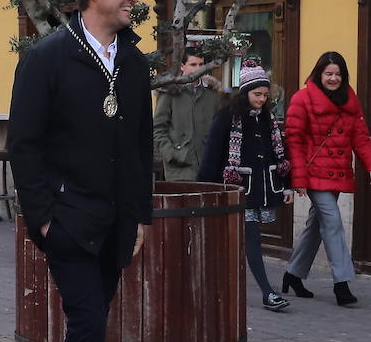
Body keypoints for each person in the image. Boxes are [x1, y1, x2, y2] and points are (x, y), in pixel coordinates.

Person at [8, 0, 152, 342]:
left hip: (116, 223)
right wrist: (43, 220)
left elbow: (141, 145)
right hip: (68, 221)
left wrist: (141, 217)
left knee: (87, 326)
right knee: (90, 324)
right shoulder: (48, 57)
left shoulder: (135, 63)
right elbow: (24, 145)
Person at [198, 64, 292, 312]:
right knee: (252, 239)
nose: (262, 99)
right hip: (237, 190)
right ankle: (267, 293)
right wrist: (204, 189)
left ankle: (215, 288)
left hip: (261, 190)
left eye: (265, 95)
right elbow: (212, 155)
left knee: (241, 241)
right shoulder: (227, 117)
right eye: (257, 94)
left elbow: (278, 153)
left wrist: (287, 186)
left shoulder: (268, 120)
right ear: (246, 92)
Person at [282, 51, 371, 306]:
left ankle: (293, 275)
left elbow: (361, 138)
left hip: (337, 171)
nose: (333, 78)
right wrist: (297, 178)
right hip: (313, 173)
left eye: (338, 74)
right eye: (328, 74)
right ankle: (341, 284)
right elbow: (294, 141)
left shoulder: (349, 101)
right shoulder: (303, 99)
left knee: (315, 226)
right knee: (333, 222)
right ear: (319, 74)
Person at [154, 51, 223, 181]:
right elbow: (158, 128)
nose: (198, 68)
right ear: (182, 66)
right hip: (179, 168)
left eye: (201, 64)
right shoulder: (170, 93)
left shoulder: (211, 95)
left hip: (207, 166)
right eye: (193, 64)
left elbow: (219, 129)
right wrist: (172, 154)